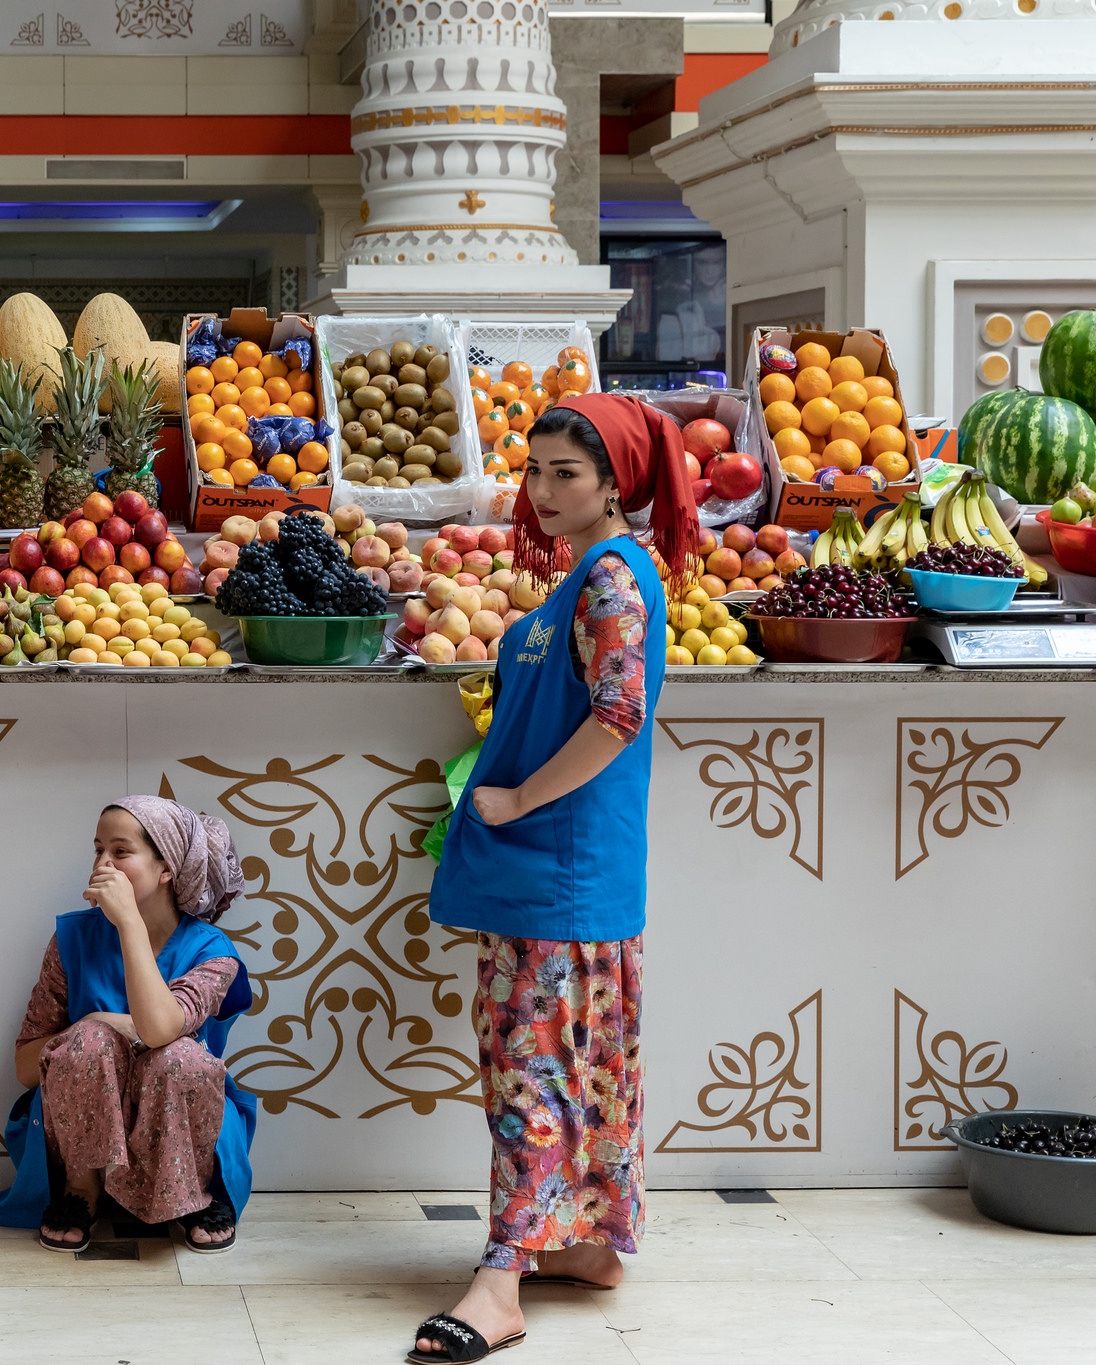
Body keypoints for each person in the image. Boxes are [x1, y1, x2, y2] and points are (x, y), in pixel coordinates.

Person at [411, 393, 694, 1363]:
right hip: (565, 876)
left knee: (528, 1071)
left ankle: (500, 1282)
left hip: (559, 872)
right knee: (580, 1066)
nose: (539, 489)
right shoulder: (591, 574)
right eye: (531, 470)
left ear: (614, 483)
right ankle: (588, 1242)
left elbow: (615, 720)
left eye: (562, 473)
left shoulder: (611, 580)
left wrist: (518, 797)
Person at [0, 796, 257, 1254]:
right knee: (89, 1039)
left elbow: (157, 1031)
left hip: (182, 1127)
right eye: (97, 849)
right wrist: (93, 1024)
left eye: (120, 851)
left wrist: (129, 922)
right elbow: (26, 1067)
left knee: (180, 1055)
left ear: (167, 868)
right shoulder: (72, 938)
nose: (102, 864)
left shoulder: (214, 952)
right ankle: (81, 1191)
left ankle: (188, 1192)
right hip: (77, 1139)